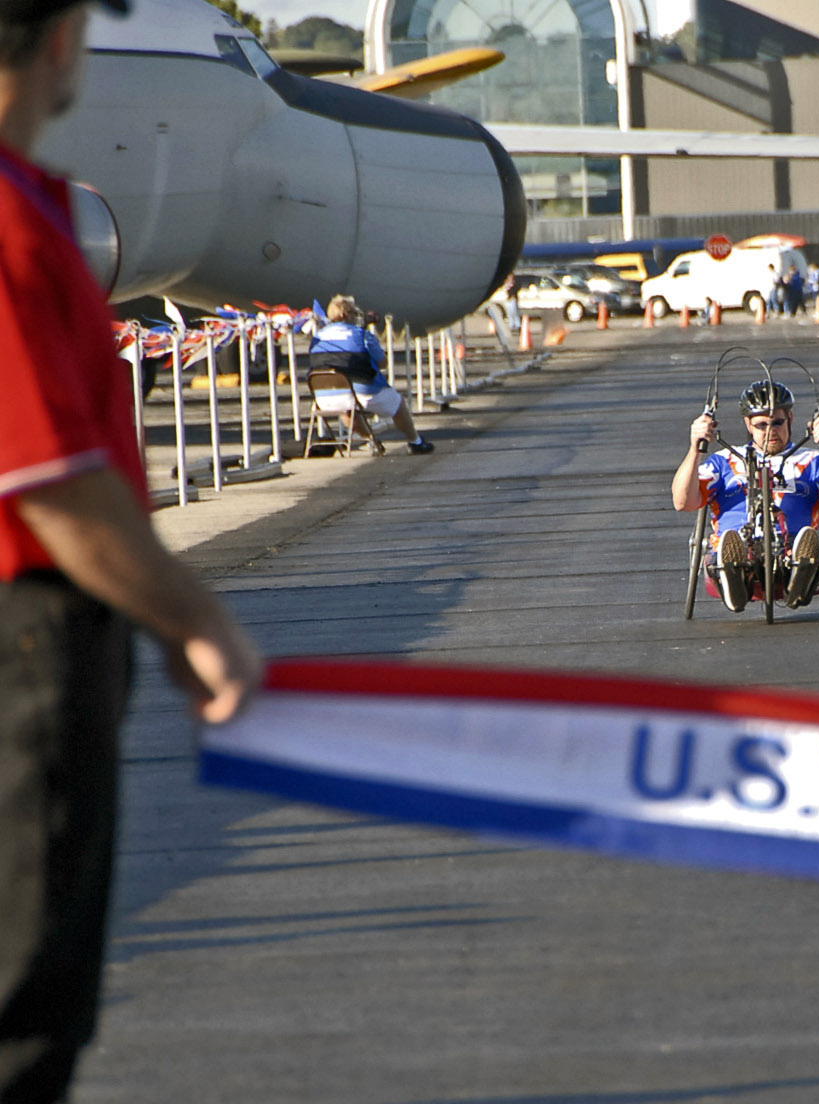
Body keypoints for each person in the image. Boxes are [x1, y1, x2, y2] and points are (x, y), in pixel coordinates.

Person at [0, 1, 263, 1100]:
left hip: (52, 626)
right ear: (57, 39)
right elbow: (51, 483)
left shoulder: (32, 205)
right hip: (25, 639)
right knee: (23, 1001)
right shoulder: (8, 226)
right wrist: (196, 617)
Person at [672, 380, 819, 612]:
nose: (770, 432)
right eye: (761, 425)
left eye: (777, 423)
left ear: (790, 418)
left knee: (803, 544)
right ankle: (734, 574)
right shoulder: (724, 460)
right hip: (738, 543)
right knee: (733, 544)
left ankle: (800, 577)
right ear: (748, 424)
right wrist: (694, 449)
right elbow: (682, 502)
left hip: (791, 547)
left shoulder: (814, 460)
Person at [309, 295, 435, 454]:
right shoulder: (361, 334)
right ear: (347, 315)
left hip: (324, 397)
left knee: (347, 408)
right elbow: (383, 363)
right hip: (362, 392)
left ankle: (372, 441)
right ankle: (415, 441)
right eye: (355, 313)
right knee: (397, 404)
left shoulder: (317, 337)